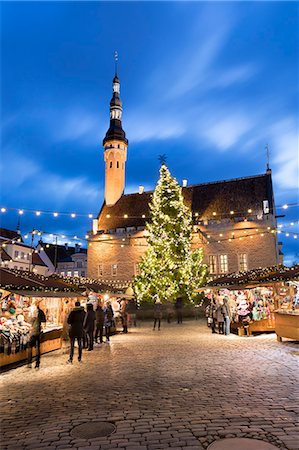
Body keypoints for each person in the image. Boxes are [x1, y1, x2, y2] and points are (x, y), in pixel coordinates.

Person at [27, 304, 46, 369]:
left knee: (30, 347)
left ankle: (29, 363)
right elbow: (43, 323)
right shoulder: (41, 312)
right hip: (39, 332)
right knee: (38, 348)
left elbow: (29, 322)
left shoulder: (32, 313)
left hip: (33, 332)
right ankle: (37, 364)